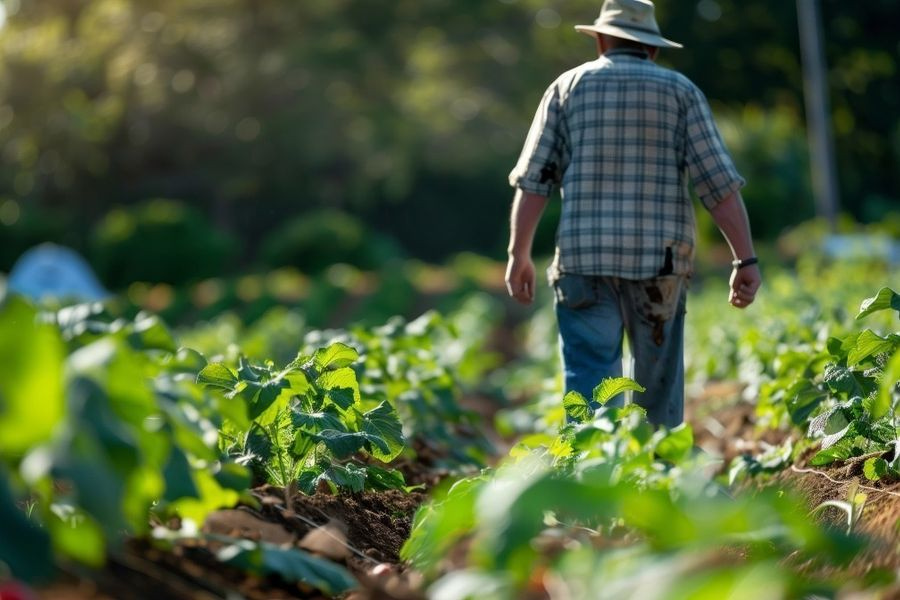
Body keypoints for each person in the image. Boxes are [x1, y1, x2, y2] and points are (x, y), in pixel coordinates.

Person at [504, 0, 761, 428]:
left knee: (590, 390)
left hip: (584, 262)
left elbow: (535, 181)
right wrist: (745, 259)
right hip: (660, 264)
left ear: (601, 40)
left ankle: (595, 477)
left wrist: (519, 254)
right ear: (653, 48)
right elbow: (718, 186)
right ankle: (657, 479)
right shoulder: (681, 93)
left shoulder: (567, 88)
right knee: (657, 388)